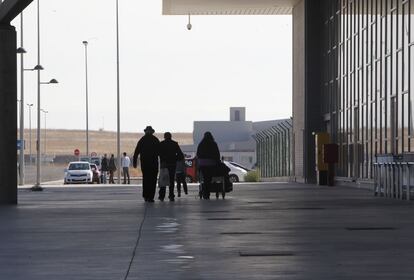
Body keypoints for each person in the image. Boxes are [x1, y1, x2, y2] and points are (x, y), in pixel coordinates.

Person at [133, 126, 160, 202]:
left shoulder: (142, 140)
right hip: (154, 163)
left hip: (145, 164)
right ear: (152, 132)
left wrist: (135, 163)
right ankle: (151, 197)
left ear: (146, 132)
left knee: (146, 179)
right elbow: (160, 152)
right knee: (153, 180)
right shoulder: (155, 140)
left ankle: (146, 196)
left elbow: (136, 152)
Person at [158, 132, 184, 202]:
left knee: (163, 180)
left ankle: (161, 196)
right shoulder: (175, 144)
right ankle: (171, 195)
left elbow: (158, 153)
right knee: (171, 181)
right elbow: (181, 155)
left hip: (163, 165)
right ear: (171, 136)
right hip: (172, 164)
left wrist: (163, 159)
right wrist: (174, 159)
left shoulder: (161, 144)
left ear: (164, 137)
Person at [196, 131, 220, 199]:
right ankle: (207, 193)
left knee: (205, 178)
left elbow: (198, 154)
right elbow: (217, 154)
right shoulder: (213, 144)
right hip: (211, 164)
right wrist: (217, 162)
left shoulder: (201, 144)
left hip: (202, 164)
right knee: (208, 179)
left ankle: (205, 192)